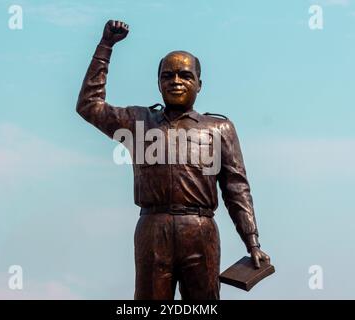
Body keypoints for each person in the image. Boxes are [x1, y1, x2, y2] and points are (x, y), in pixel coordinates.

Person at [76, 20, 270, 300]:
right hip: (153, 231)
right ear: (158, 83)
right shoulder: (138, 121)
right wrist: (105, 47)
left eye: (184, 75)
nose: (175, 82)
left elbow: (236, 188)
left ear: (199, 84)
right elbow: (89, 105)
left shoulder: (219, 129)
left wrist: (252, 242)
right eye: (168, 76)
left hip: (200, 232)